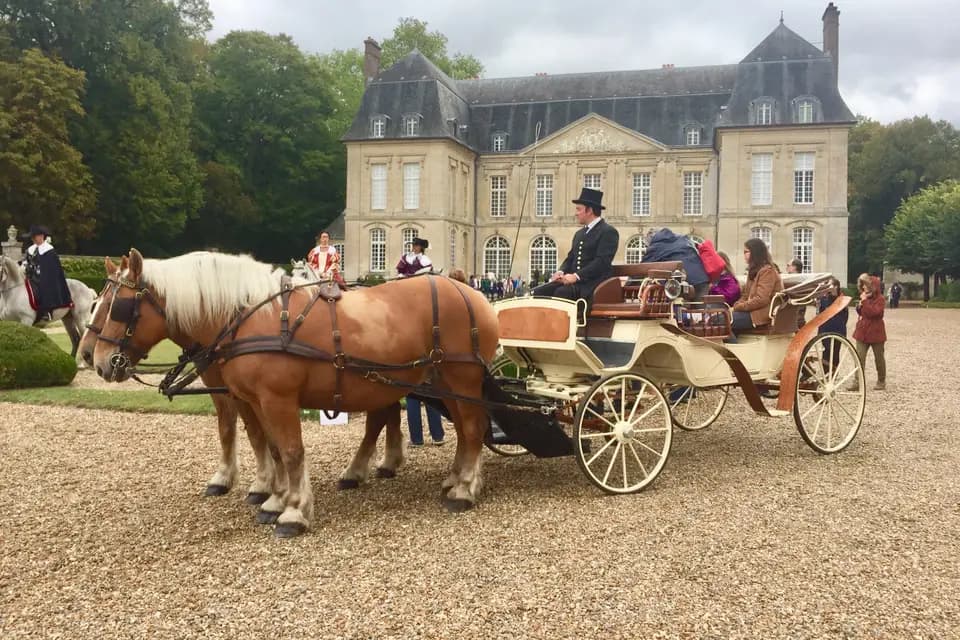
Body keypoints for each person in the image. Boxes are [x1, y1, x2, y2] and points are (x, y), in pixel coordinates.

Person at [533, 187, 619, 301]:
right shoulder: (579, 233)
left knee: (562, 292)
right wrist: (561, 272)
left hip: (594, 284)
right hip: (575, 282)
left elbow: (601, 262)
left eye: (579, 209)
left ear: (589, 210)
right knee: (540, 291)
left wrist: (576, 276)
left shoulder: (608, 232)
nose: (576, 213)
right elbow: (571, 258)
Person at [21, 225, 72, 322]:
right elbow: (26, 261)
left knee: (44, 286)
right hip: (31, 276)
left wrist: (40, 273)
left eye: (34, 236)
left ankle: (47, 311)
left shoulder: (49, 250)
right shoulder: (31, 249)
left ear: (41, 236)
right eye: (32, 237)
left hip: (47, 278)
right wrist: (24, 266)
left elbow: (52, 268)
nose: (32, 239)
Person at [731, 238, 783, 333]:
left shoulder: (768, 271)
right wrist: (738, 304)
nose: (744, 255)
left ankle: (731, 343)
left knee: (721, 320)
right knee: (720, 319)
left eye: (746, 252)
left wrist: (739, 307)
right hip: (751, 311)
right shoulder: (753, 271)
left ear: (755, 252)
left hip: (760, 315)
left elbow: (761, 299)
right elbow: (746, 295)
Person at [852, 273, 887, 391]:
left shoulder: (880, 299)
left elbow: (875, 313)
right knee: (859, 358)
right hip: (862, 332)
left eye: (865, 285)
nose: (863, 287)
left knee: (879, 358)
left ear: (872, 286)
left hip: (876, 332)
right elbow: (863, 313)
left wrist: (864, 302)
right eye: (862, 285)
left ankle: (881, 380)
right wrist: (859, 307)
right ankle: (857, 382)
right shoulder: (865, 297)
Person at [817, 277, 849, 371]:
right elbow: (820, 314)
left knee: (835, 353)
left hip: (838, 329)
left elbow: (845, 316)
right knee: (826, 352)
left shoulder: (842, 300)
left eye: (830, 285)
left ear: (836, 287)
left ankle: (834, 372)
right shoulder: (823, 299)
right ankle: (826, 373)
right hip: (825, 329)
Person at [786, 258, 807, 328]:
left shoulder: (800, 281)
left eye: (788, 265)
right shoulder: (790, 279)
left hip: (796, 317)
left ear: (794, 267)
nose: (786, 268)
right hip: (792, 316)